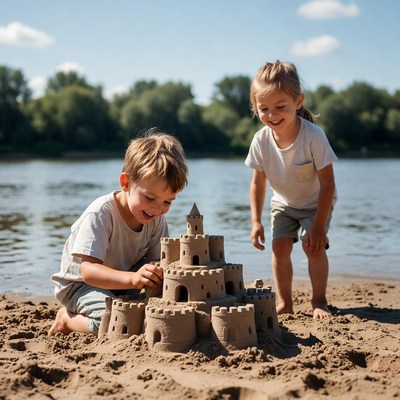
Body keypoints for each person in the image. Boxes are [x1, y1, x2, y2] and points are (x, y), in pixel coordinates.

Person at [49, 129, 188, 335]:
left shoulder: (155, 219)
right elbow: (88, 271)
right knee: (115, 323)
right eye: (150, 198)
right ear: (125, 183)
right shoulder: (101, 214)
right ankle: (66, 320)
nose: (158, 208)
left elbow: (158, 261)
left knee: (155, 309)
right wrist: (133, 279)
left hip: (122, 283)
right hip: (79, 286)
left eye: (167, 201)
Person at [244, 61, 337, 319]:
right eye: (264, 109)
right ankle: (285, 302)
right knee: (280, 248)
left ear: (298, 102)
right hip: (283, 203)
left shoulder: (313, 136)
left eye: (280, 107)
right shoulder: (260, 140)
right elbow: (257, 183)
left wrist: (318, 226)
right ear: (256, 108)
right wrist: (255, 221)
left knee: (313, 247)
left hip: (316, 203)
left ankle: (319, 301)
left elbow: (328, 185)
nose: (272, 115)